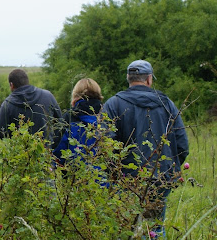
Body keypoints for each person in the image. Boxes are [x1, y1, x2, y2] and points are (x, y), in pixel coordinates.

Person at [102, 60, 189, 224]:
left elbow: (104, 144)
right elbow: (182, 143)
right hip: (161, 177)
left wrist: (113, 173)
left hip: (126, 179)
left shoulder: (113, 104)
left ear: (128, 78)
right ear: (149, 79)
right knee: (154, 228)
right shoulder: (167, 104)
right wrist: (171, 169)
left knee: (129, 228)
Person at [0, 68, 62, 148]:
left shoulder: (7, 104)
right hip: (46, 153)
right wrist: (52, 145)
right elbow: (60, 123)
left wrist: (15, 145)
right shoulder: (47, 96)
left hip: (20, 155)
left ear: (11, 85)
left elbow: (1, 132)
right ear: (27, 81)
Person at [53, 78, 104, 165]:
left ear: (75, 95)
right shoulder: (105, 116)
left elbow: (57, 150)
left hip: (73, 173)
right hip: (102, 174)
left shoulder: (69, 117)